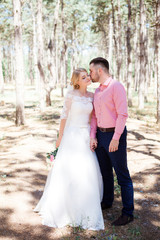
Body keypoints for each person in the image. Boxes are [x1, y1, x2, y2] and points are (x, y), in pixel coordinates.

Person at [34, 68, 104, 230]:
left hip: (86, 135)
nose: (87, 78)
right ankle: (64, 206)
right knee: (69, 169)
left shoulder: (92, 96)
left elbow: (94, 117)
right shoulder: (71, 95)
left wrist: (93, 135)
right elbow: (64, 117)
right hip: (72, 135)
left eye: (88, 75)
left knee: (86, 170)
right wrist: (60, 137)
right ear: (77, 81)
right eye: (83, 77)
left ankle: (85, 203)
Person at [89, 57, 134, 226]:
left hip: (115, 136)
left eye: (91, 70)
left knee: (122, 175)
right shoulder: (98, 91)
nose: (90, 74)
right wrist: (93, 135)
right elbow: (94, 116)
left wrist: (116, 138)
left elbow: (122, 114)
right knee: (105, 172)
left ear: (100, 70)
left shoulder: (116, 86)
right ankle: (107, 202)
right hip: (100, 136)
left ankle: (128, 212)